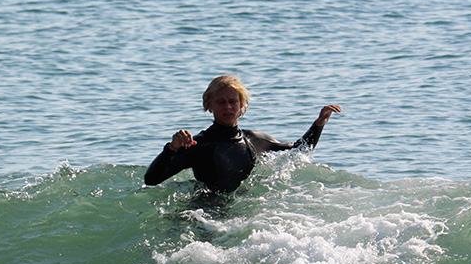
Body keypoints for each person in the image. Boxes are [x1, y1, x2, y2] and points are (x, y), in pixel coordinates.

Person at [144, 75, 342, 193]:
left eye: (233, 101)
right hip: (204, 212)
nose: (228, 107)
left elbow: (299, 150)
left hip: (242, 212)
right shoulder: (199, 145)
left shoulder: (255, 140)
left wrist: (319, 124)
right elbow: (151, 179)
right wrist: (171, 149)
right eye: (221, 102)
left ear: (242, 106)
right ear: (209, 105)